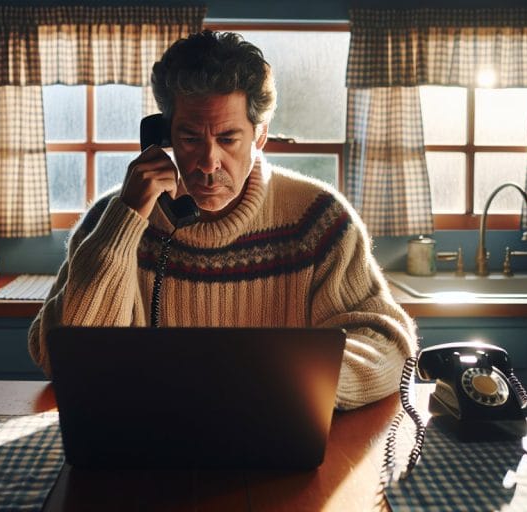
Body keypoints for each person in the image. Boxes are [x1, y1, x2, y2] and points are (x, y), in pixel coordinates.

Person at [29, 30, 417, 410]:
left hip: (276, 425)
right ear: (163, 136)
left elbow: (386, 345)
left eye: (228, 139)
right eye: (190, 139)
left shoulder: (319, 220)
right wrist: (125, 220)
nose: (208, 163)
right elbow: (61, 356)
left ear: (259, 137)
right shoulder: (110, 219)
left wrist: (285, 381)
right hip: (143, 433)